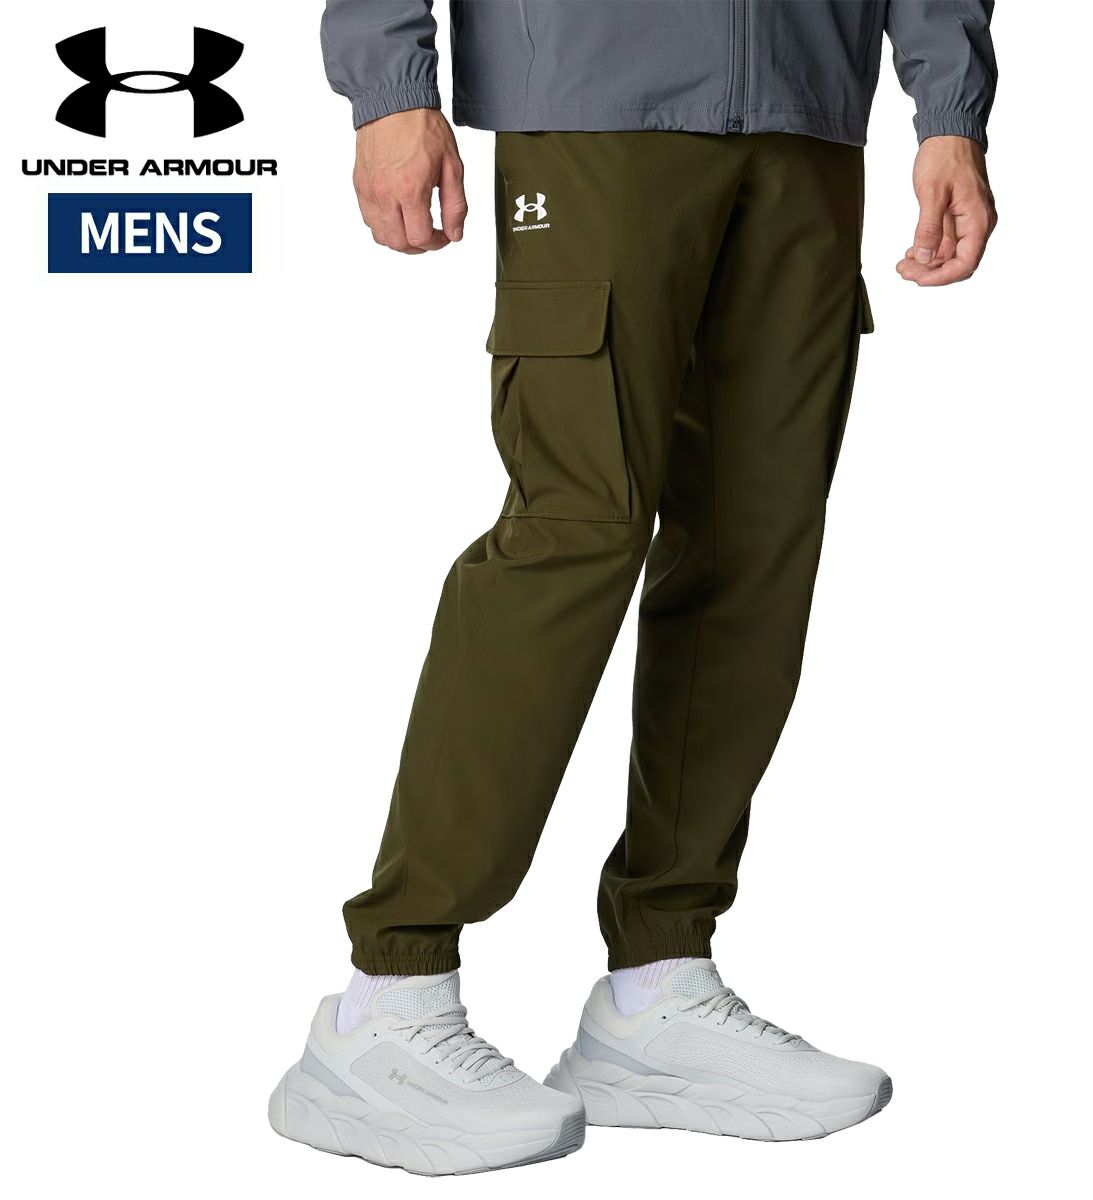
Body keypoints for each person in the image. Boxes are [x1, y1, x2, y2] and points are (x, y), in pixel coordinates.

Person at [269, 0, 998, 1175]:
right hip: (596, 92)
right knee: (576, 527)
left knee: (756, 543)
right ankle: (386, 1000)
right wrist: (390, 86)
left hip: (809, 104)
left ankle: (657, 985)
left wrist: (948, 106)